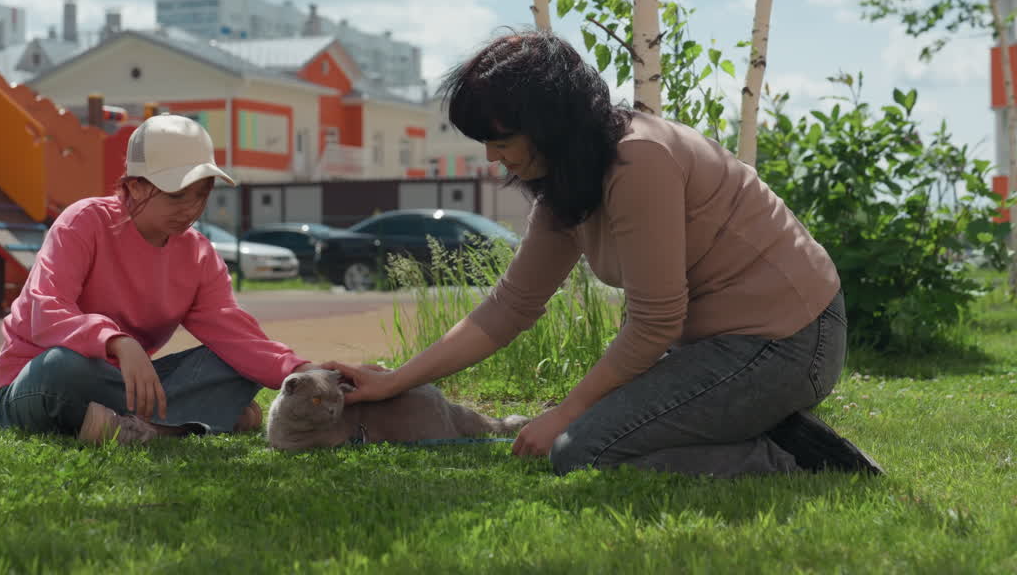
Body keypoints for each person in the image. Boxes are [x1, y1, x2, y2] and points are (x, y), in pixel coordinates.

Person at [328, 29, 882, 478]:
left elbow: (655, 323)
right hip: (719, 350)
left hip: (789, 341)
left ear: (549, 124)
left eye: (501, 139)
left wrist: (564, 413)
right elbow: (508, 309)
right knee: (585, 436)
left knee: (580, 450)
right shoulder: (569, 184)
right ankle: (754, 423)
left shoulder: (638, 161)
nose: (493, 158)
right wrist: (395, 380)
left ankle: (800, 461)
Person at [0, 114, 316, 444]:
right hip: (40, 382)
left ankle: (139, 429)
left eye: (202, 194)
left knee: (236, 363)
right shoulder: (83, 222)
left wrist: (304, 373)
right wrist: (118, 342)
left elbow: (238, 337)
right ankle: (193, 418)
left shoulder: (199, 254)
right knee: (62, 367)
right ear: (135, 185)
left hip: (128, 384)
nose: (190, 209)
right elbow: (46, 313)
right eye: (177, 195)